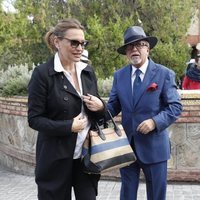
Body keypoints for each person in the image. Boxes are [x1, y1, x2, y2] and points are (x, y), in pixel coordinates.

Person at [28, 18, 105, 200]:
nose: (80, 47)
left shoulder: (87, 71)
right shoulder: (42, 74)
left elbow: (98, 110)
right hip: (55, 158)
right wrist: (68, 126)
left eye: (83, 43)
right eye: (74, 42)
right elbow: (34, 118)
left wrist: (101, 106)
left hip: (86, 156)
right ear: (57, 41)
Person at [106, 26, 182, 200]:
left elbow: (175, 107)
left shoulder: (164, 74)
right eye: (130, 46)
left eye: (139, 45)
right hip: (127, 148)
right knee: (127, 195)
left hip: (155, 147)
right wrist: (98, 109)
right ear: (126, 51)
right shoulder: (119, 76)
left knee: (156, 195)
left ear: (148, 48)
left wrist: (155, 122)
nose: (134, 49)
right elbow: (113, 106)